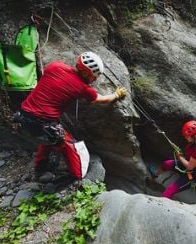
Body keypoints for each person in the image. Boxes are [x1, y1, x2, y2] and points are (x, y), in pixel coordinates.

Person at [13, 52, 127, 182]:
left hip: (21, 118)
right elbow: (102, 99)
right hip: (43, 125)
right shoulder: (83, 88)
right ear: (85, 73)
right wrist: (116, 95)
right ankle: (77, 177)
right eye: (93, 77)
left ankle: (40, 169)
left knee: (49, 136)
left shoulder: (55, 66)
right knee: (70, 145)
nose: (95, 80)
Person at [150, 120, 196, 200]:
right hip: (189, 166)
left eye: (187, 136)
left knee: (169, 191)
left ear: (194, 136)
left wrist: (179, 157)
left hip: (194, 176)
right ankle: (154, 176)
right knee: (166, 164)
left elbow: (189, 167)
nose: (185, 137)